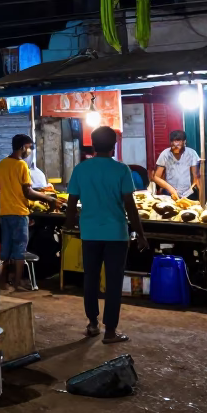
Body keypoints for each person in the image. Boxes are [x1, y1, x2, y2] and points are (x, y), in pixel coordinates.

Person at [64, 126, 150, 344]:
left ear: (92, 145)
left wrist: (70, 225)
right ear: (114, 146)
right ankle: (110, 331)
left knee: (90, 279)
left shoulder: (81, 169)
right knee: (113, 282)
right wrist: (140, 234)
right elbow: (130, 206)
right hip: (116, 234)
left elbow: (71, 203)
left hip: (90, 233)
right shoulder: (121, 170)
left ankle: (92, 324)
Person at [0, 134, 57, 290]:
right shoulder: (21, 165)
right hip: (19, 212)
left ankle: (2, 283)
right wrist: (48, 199)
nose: (29, 151)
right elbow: (28, 192)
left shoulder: (2, 163)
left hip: (5, 212)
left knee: (5, 249)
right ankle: (17, 284)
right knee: (19, 250)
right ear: (23, 147)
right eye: (29, 147)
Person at [152, 130, 201, 200]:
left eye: (178, 141)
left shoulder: (192, 153)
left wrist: (200, 196)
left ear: (184, 142)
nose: (175, 144)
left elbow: (196, 176)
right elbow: (156, 177)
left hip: (188, 194)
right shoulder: (165, 154)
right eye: (172, 141)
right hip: (169, 194)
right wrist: (170, 188)